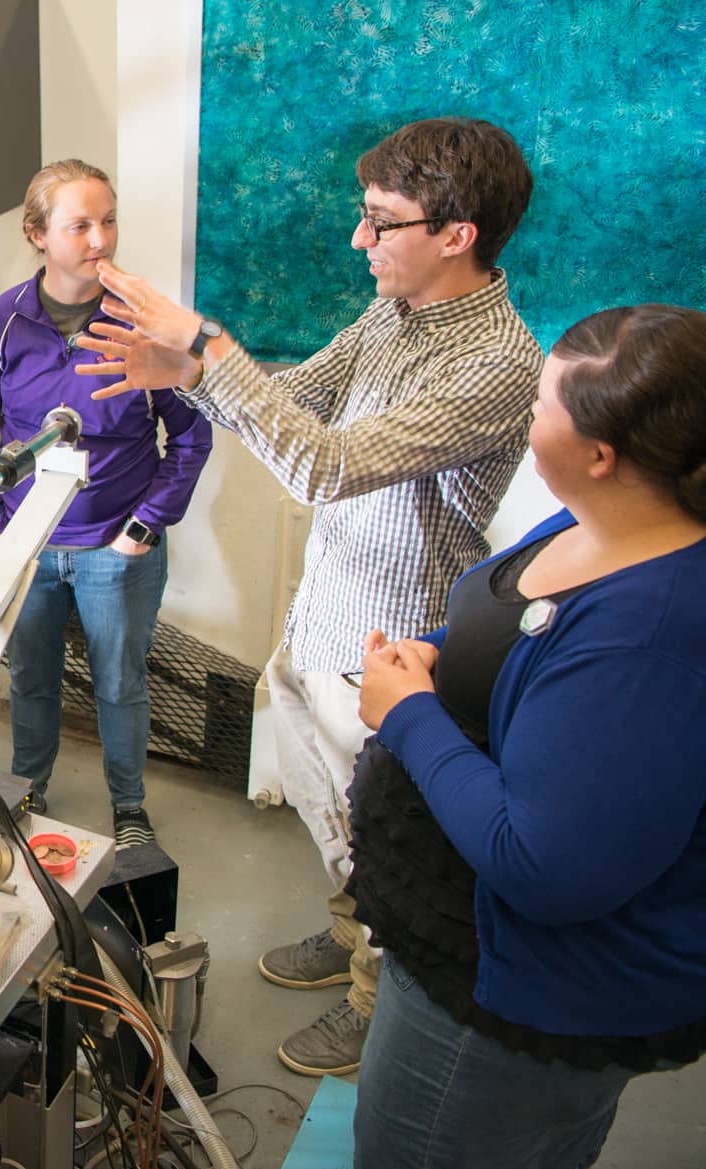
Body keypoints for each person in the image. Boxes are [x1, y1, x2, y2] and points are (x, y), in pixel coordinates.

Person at [74, 117, 543, 1075]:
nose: (359, 241)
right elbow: (303, 394)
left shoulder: (498, 363)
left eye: (380, 222)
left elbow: (323, 465)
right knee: (336, 819)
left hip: (389, 641)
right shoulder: (393, 314)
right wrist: (191, 378)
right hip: (322, 616)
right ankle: (349, 932)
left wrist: (207, 342)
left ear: (456, 234)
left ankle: (380, 1000)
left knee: (388, 840)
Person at [348, 304, 706, 1168]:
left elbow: (546, 865)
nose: (526, 417)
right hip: (453, 938)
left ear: (600, 454)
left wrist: (407, 713)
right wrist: (441, 658)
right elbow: (523, 634)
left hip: (510, 1004)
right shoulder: (606, 518)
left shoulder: (650, 637)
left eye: (542, 406)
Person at [0, 160, 212, 849]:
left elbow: (190, 434)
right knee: (31, 677)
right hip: (27, 547)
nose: (101, 239)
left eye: (110, 220)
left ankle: (129, 809)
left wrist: (143, 526)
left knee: (120, 682)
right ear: (37, 234)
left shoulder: (143, 326)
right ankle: (27, 790)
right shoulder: (0, 327)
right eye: (80, 225)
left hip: (115, 547)